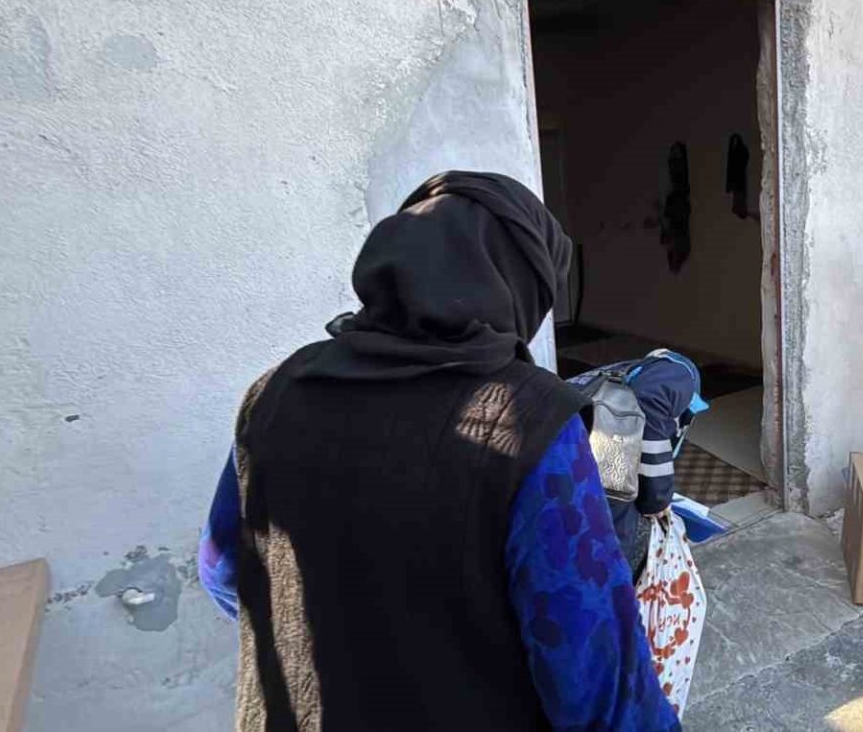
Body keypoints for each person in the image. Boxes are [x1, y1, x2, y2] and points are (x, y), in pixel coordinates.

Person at [198, 171, 680, 731]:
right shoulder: (530, 423)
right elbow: (596, 675)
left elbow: (223, 569)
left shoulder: (276, 389)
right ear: (521, 285)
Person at [567, 350, 709, 578]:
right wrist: (658, 499)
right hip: (600, 459)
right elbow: (649, 404)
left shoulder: (633, 371)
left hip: (571, 450)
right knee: (616, 538)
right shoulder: (680, 373)